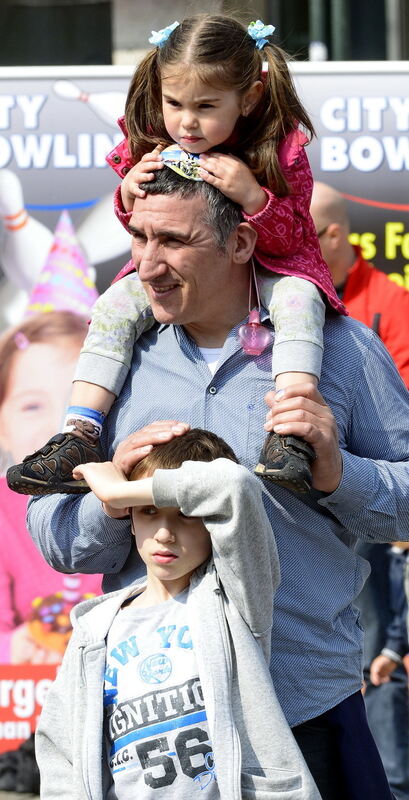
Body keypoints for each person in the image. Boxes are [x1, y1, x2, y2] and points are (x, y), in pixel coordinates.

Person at [27, 166, 409, 799]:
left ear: (240, 243)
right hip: (154, 728)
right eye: (139, 238)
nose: (147, 265)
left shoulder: (340, 352)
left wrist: (340, 473)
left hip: (303, 708)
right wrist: (115, 493)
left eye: (174, 241)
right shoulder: (113, 368)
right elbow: (57, 538)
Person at [7, 13, 345, 499]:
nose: (187, 121)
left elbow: (294, 237)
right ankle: (79, 434)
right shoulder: (148, 135)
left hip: (272, 270)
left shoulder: (278, 145)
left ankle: (289, 433)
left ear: (248, 97)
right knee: (113, 306)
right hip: (194, 288)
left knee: (298, 301)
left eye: (206, 106)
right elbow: (145, 228)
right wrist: (127, 194)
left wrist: (255, 199)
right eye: (175, 103)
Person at [35, 429, 321, 800]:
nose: (166, 533)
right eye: (149, 513)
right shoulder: (95, 628)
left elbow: (233, 484)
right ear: (131, 520)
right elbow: (60, 749)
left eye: (186, 515)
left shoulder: (234, 598)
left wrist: (117, 492)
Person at [310, 180, 409, 800]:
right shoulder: (283, 297)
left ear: (335, 234)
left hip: (365, 503)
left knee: (373, 651)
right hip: (302, 501)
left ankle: (385, 780)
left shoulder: (389, 303)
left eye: (305, 232)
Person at [0, 311, 101, 664]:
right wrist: (14, 646)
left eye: (80, 407)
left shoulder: (127, 499)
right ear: (2, 424)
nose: (58, 424)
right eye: (32, 405)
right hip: (25, 703)